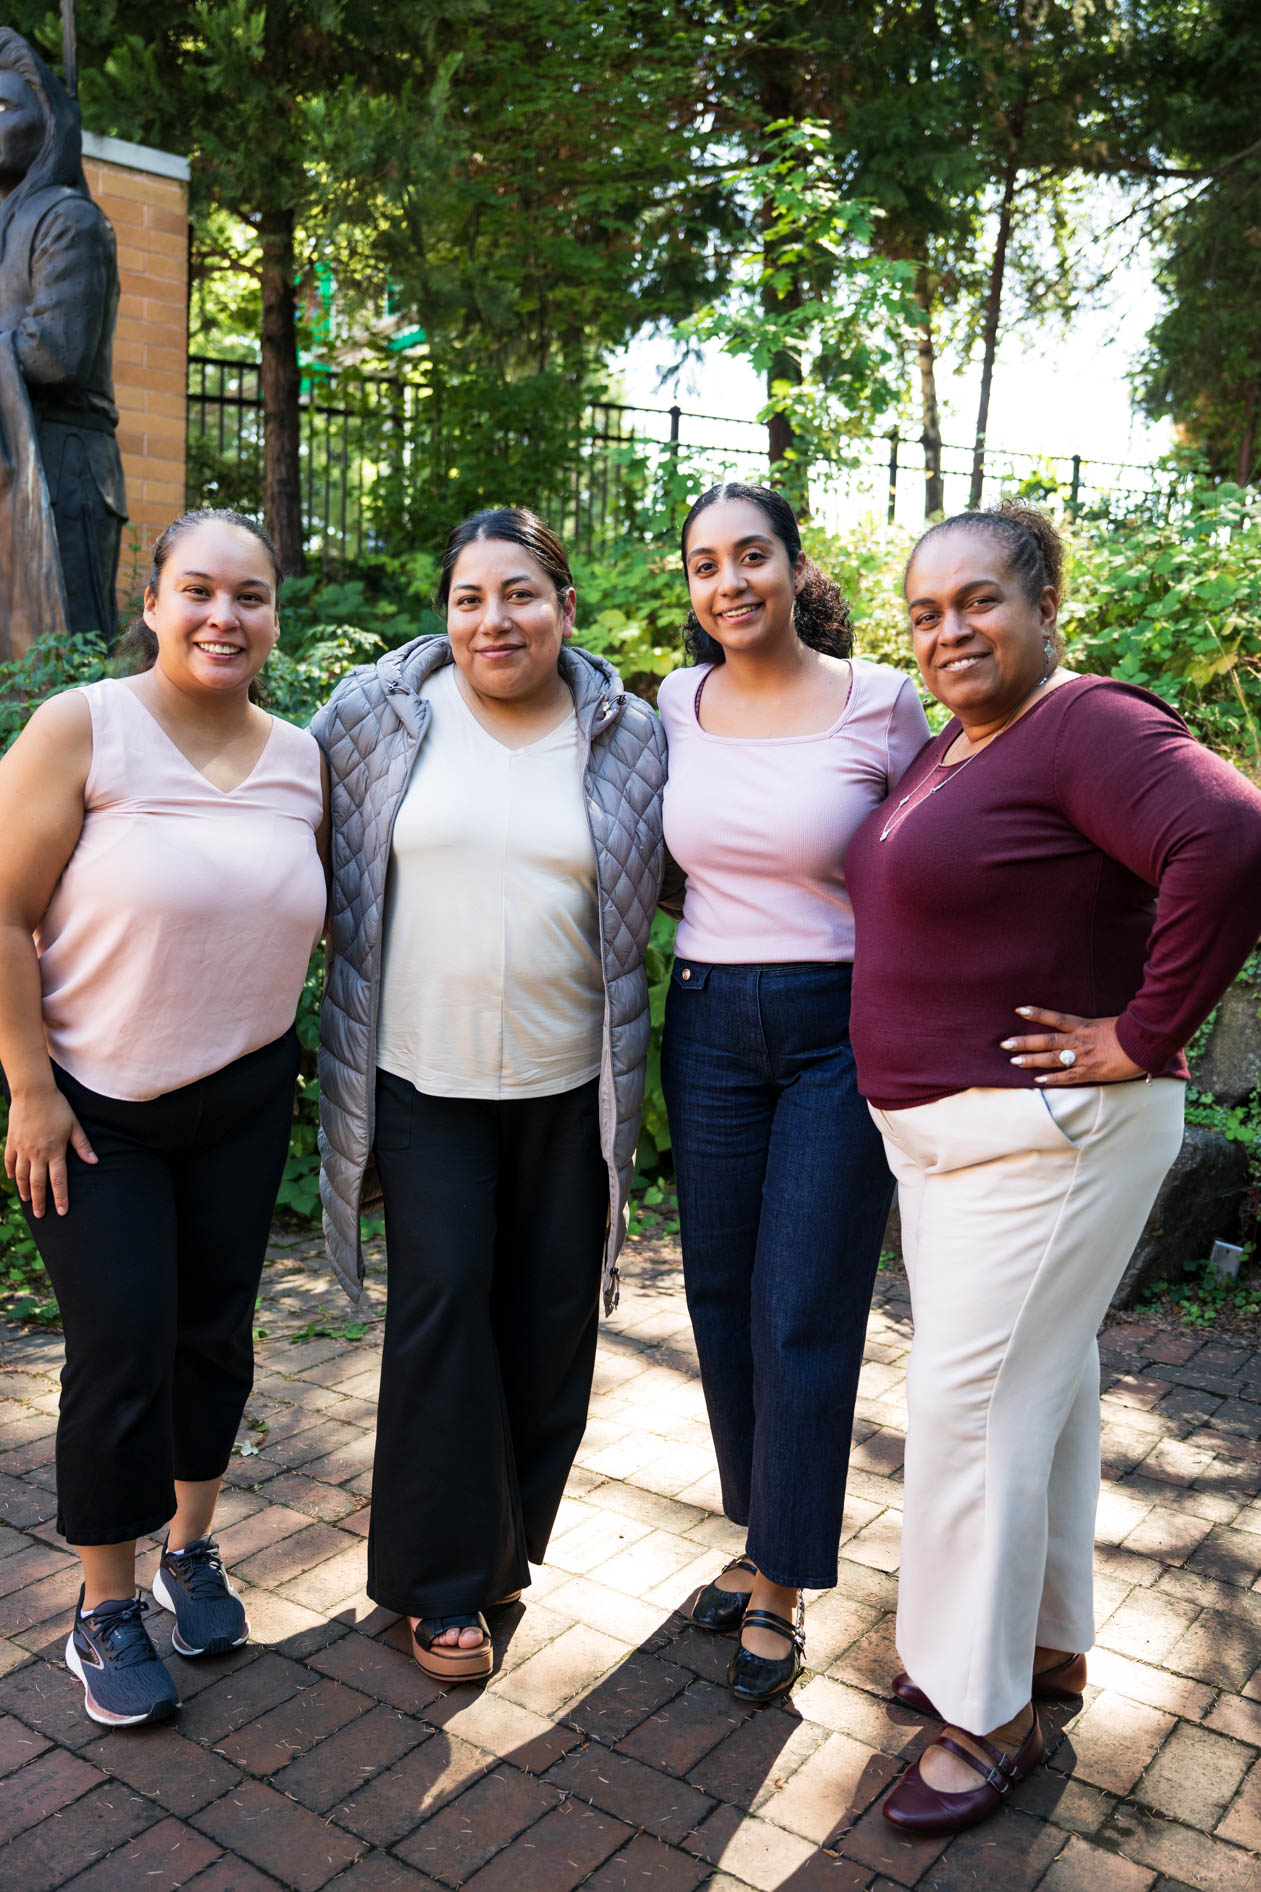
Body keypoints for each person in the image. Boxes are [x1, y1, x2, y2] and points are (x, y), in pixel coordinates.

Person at [844, 501, 1261, 1834]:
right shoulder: (962, 744)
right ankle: (1040, 1645)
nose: (948, 629)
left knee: (969, 1413)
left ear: (1042, 606)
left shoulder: (1086, 722)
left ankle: (986, 1715)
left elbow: (1231, 840)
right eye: (924, 611)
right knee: (1044, 1390)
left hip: (1043, 1144)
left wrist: (1146, 1033)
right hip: (962, 1149)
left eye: (978, 601)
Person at [313, 506, 666, 1683]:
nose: (491, 618)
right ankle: (442, 1577)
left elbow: (712, 865)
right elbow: (266, 816)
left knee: (551, 1318)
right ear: (444, 615)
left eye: (518, 593)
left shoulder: (630, 736)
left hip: (573, 1084)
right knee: (444, 1308)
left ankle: (502, 1544)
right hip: (424, 1076)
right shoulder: (375, 716)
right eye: (468, 597)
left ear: (566, 608)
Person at [0, 508, 328, 1728]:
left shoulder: (302, 755)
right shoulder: (83, 725)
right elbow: (4, 912)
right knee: (123, 1346)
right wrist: (29, 1087)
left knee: (212, 1340)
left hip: (243, 1096)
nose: (222, 617)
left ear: (273, 617)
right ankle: (102, 1605)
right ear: (154, 600)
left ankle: (191, 1549)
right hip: (98, 1109)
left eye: (249, 596)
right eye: (198, 590)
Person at [656, 481, 930, 1704]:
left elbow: (935, 854)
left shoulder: (880, 700)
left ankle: (782, 1582)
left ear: (792, 565)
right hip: (707, 1015)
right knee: (716, 1288)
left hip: (836, 1025)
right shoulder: (673, 702)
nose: (730, 583)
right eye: (706, 564)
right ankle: (758, 1523)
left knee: (803, 1301)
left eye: (750, 556)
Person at [0, 28, 126, 656]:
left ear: (45, 123)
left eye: (2, 109)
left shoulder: (68, 219)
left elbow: (55, 351)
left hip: (63, 463)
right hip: (9, 455)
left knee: (60, 654)